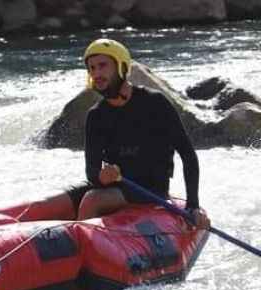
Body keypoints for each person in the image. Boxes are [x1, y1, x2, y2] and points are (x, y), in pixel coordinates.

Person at [29, 38, 209, 229]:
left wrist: (193, 206)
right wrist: (101, 177)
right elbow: (92, 172)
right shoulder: (96, 116)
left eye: (102, 66)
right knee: (41, 206)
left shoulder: (155, 103)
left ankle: (83, 250)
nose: (96, 73)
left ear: (121, 66)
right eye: (92, 68)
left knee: (92, 200)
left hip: (150, 189)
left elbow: (188, 155)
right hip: (112, 188)